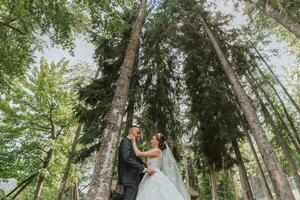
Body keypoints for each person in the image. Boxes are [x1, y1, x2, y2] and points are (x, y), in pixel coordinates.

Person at [129, 132, 191, 200]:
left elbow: (138, 154)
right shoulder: (153, 150)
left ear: (157, 141)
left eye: (153, 139)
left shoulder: (157, 151)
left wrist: (133, 141)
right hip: (148, 175)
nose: (151, 140)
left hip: (154, 176)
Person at [117, 125, 157, 200]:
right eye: (138, 133)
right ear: (131, 131)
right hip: (129, 178)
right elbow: (127, 158)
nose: (139, 135)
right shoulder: (125, 142)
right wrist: (144, 169)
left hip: (133, 178)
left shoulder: (131, 143)